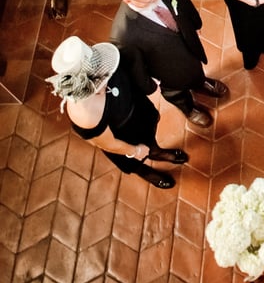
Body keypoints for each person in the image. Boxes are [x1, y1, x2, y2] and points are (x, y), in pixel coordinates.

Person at [48, 37, 188, 190]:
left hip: (136, 109)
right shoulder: (84, 115)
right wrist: (135, 151)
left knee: (149, 137)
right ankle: (145, 172)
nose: (103, 85)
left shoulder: (104, 59)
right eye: (95, 86)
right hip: (123, 135)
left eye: (102, 77)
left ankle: (156, 152)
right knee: (134, 162)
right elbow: (109, 143)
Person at [111, 0, 228, 129]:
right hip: (166, 69)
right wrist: (152, 84)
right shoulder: (124, 34)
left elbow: (181, 0)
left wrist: (194, 23)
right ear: (128, 1)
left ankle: (200, 83)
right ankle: (189, 109)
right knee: (176, 92)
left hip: (187, 43)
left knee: (195, 66)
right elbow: (136, 68)